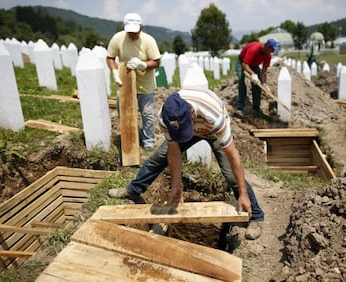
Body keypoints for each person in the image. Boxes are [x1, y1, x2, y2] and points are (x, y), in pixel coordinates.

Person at [108, 88, 265, 240]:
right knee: (158, 158)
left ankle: (256, 216)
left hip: (210, 130)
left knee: (230, 175)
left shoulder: (214, 116)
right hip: (189, 125)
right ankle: (133, 190)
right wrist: (176, 185)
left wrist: (243, 193)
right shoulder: (166, 116)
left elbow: (233, 156)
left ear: (191, 113)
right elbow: (174, 152)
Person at [106, 13, 161, 150]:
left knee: (147, 113)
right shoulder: (118, 39)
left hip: (145, 84)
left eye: (135, 32)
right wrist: (114, 71)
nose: (133, 35)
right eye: (130, 32)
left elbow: (157, 61)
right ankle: (134, 136)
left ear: (141, 27)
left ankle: (148, 142)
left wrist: (143, 65)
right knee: (123, 111)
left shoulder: (148, 41)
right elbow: (110, 57)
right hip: (125, 83)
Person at [237, 38, 279, 112]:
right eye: (272, 49)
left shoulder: (268, 55)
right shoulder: (254, 49)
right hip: (242, 62)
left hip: (254, 65)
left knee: (257, 83)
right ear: (266, 46)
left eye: (273, 50)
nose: (272, 52)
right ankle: (241, 104)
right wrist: (253, 74)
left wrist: (264, 83)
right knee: (241, 80)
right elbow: (244, 64)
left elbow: (264, 71)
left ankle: (256, 106)